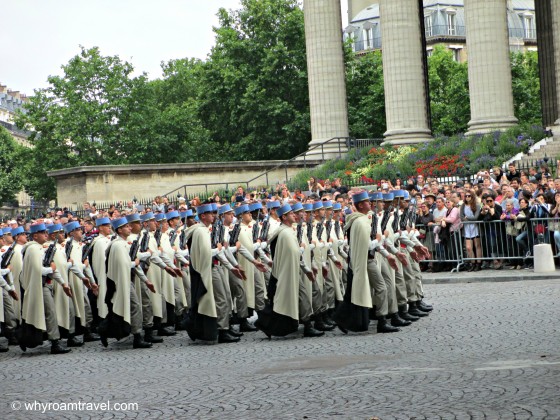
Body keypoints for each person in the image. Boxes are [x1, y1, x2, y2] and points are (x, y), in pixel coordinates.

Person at [98, 217, 153, 349]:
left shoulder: (123, 243)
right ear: (120, 230)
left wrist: (145, 280)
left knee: (120, 310)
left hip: (125, 280)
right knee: (133, 307)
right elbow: (126, 264)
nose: (130, 228)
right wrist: (135, 262)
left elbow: (131, 262)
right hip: (121, 282)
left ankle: (105, 330)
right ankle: (137, 337)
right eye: (127, 226)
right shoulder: (118, 245)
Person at [18, 223, 73, 354]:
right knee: (50, 314)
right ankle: (55, 342)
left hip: (44, 284)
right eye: (43, 233)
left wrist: (63, 283)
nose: (46, 235)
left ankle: (24, 338)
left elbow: (50, 269)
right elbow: (40, 270)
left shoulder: (39, 248)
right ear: (35, 235)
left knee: (38, 314)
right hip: (40, 286)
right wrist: (51, 269)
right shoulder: (33, 249)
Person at [255, 204, 301, 338]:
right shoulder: (284, 233)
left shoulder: (287, 231)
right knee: (279, 302)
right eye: (291, 213)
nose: (294, 215)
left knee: (279, 302)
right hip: (283, 273)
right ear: (284, 217)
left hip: (286, 272)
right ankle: (266, 325)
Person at [182, 204, 220, 342]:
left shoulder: (202, 230)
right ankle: (202, 331)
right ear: (203, 215)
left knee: (203, 303)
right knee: (204, 302)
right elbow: (205, 253)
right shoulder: (201, 231)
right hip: (203, 272)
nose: (213, 215)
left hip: (202, 271)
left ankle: (201, 330)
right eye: (210, 213)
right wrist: (218, 249)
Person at [460, 190, 482, 272]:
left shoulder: (476, 205)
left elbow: (476, 217)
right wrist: (465, 220)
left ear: (472, 196)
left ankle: (478, 263)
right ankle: (473, 263)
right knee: (469, 247)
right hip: (467, 227)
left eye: (469, 196)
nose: (467, 197)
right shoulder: (463, 205)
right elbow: (461, 216)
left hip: (475, 226)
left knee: (477, 245)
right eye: (466, 196)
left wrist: (467, 218)